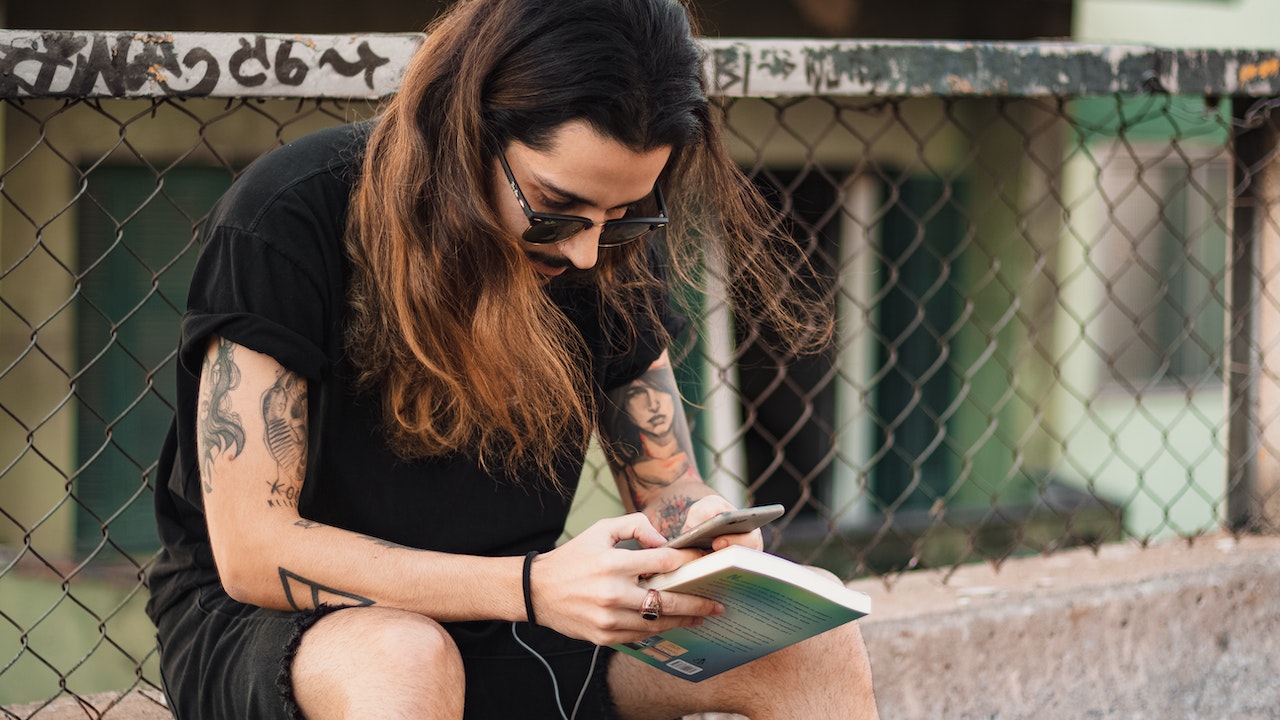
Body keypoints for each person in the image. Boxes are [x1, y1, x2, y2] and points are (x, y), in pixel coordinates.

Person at [144, 0, 879, 718]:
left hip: (519, 616)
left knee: (815, 645)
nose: (586, 250)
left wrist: (708, 526)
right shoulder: (290, 213)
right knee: (405, 657)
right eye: (556, 207)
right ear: (468, 133)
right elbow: (253, 551)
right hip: (283, 626)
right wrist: (532, 588)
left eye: (624, 216)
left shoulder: (602, 240)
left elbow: (667, 485)